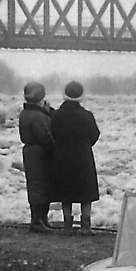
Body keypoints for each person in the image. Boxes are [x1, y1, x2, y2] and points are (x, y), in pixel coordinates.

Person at [50, 81, 100, 235]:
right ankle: (85, 225)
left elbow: (51, 133)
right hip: (83, 157)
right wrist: (84, 145)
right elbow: (95, 135)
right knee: (86, 193)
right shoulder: (87, 115)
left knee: (66, 192)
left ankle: (67, 224)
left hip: (62, 157)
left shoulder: (56, 115)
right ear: (81, 95)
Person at [18, 81, 55, 233]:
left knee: (35, 185)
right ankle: (38, 220)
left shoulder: (26, 113)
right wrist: (54, 149)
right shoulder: (38, 116)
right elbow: (45, 137)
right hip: (39, 153)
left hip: (30, 152)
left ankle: (39, 219)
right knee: (41, 186)